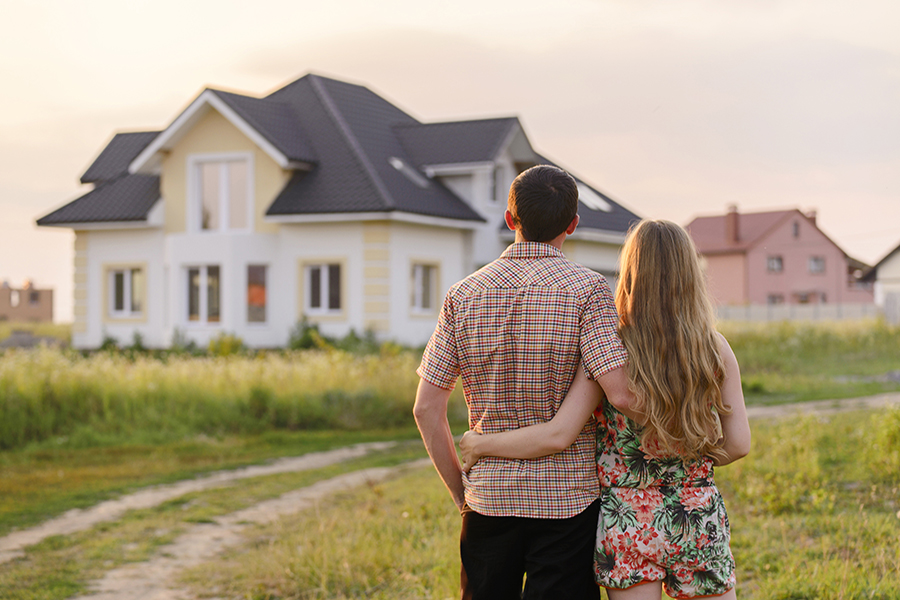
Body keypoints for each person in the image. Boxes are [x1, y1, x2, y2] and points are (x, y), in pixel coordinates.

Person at [459, 219, 751, 600]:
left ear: (630, 273)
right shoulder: (715, 349)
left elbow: (557, 433)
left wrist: (481, 444)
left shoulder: (607, 351)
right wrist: (689, 464)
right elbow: (739, 444)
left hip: (628, 520)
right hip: (695, 513)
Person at [414, 165, 641, 600]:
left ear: (509, 218)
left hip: (487, 499)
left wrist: (463, 494)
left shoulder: (462, 295)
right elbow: (622, 393)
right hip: (567, 503)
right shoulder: (589, 291)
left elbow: (426, 409)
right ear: (573, 224)